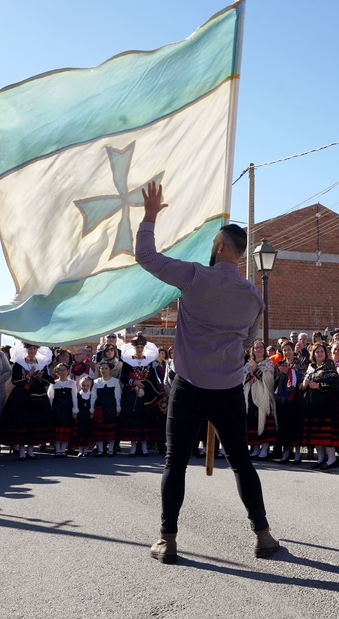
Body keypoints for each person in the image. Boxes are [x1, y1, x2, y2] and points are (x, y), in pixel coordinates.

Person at [136, 181, 279, 563]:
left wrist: (150, 215)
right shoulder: (253, 295)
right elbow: (248, 340)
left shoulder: (195, 276)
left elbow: (146, 256)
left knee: (175, 463)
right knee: (242, 463)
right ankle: (263, 535)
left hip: (189, 386)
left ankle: (167, 539)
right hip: (229, 387)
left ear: (219, 247)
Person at [0, 343, 54, 461]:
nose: (32, 351)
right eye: (30, 348)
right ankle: (22, 451)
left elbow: (49, 380)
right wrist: (28, 376)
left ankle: (30, 450)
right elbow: (15, 380)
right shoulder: (19, 363)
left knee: (35, 422)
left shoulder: (42, 363)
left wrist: (40, 376)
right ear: (26, 349)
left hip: (38, 396)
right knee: (22, 422)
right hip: (22, 396)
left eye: (35, 348)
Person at [117, 335, 165, 457]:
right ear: (133, 348)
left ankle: (144, 448)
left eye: (141, 347)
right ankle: (133, 448)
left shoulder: (149, 361)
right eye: (137, 347)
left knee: (145, 420)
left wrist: (146, 383)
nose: (139, 349)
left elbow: (154, 377)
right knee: (133, 420)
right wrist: (134, 382)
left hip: (146, 394)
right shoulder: (128, 361)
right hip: (131, 394)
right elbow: (123, 378)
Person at [298, 342, 339, 471]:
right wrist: (304, 385)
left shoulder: (329, 366)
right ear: (313, 354)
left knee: (326, 433)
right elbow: (303, 385)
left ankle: (331, 459)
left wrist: (318, 385)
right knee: (316, 433)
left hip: (327, 404)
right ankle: (320, 458)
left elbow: (334, 384)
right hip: (313, 404)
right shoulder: (310, 367)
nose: (319, 354)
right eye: (317, 351)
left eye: (322, 351)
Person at [243, 340, 276, 460]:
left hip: (264, 396)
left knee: (264, 420)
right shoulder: (248, 364)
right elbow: (243, 378)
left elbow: (269, 378)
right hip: (251, 395)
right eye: (256, 347)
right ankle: (255, 448)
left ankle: (264, 449)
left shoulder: (269, 363)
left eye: (261, 347)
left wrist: (256, 369)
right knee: (252, 420)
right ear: (253, 350)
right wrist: (251, 371)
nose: (259, 349)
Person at [47, 363, 78, 458]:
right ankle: (58, 450)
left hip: (68, 409)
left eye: (64, 370)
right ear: (56, 372)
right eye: (60, 370)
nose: (63, 372)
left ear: (68, 371)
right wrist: (50, 409)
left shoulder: (72, 383)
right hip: (57, 409)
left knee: (66, 429)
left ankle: (63, 450)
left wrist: (75, 410)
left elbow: (74, 397)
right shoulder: (54, 383)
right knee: (57, 429)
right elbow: (50, 397)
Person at [92, 362, 122, 457]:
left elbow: (118, 396)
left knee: (111, 428)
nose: (103, 370)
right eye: (102, 368)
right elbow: (93, 397)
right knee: (100, 429)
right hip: (100, 407)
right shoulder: (96, 382)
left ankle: (111, 449)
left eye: (106, 368)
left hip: (111, 407)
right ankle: (100, 449)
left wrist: (118, 409)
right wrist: (91, 410)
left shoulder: (115, 381)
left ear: (110, 370)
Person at [73, 376, 96, 457]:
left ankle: (85, 450)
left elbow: (93, 405)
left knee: (87, 433)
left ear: (90, 386)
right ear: (80, 385)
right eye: (83, 385)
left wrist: (92, 413)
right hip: (80, 416)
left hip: (88, 417)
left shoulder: (92, 395)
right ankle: (80, 450)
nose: (85, 387)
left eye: (87, 385)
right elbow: (75, 405)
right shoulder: (78, 395)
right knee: (80, 433)